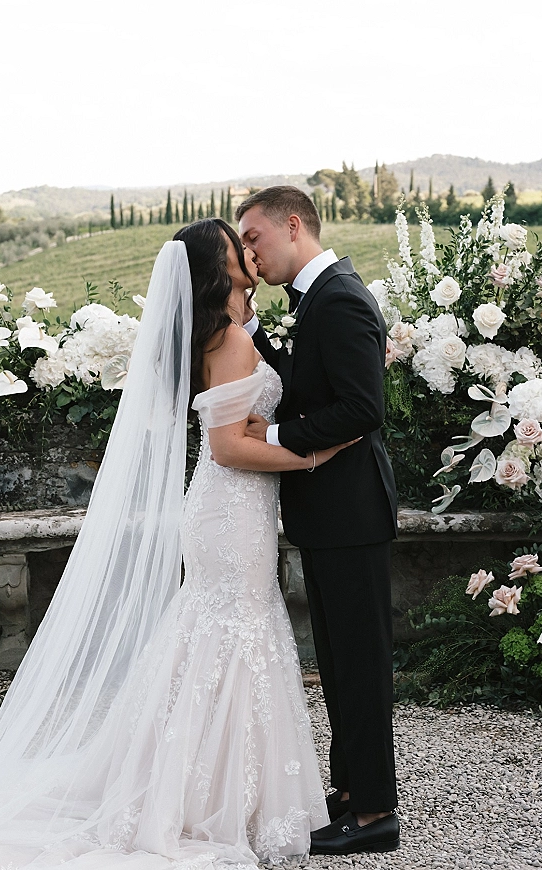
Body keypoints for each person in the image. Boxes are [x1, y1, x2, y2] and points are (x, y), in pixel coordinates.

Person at [0, 219, 357, 868]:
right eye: (237, 245)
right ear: (218, 265)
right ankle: (207, 799)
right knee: (233, 630)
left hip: (226, 504)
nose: (248, 250)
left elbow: (238, 421)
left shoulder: (216, 333)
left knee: (215, 630)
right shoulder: (232, 338)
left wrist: (269, 423)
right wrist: (318, 453)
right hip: (231, 503)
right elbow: (227, 445)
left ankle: (199, 787)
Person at [236, 186, 400, 856]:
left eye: (253, 237)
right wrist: (250, 332)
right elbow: (310, 386)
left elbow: (364, 409)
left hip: (351, 513)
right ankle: (352, 789)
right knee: (337, 666)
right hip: (332, 515)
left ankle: (375, 816)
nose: (249, 253)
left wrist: (273, 432)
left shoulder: (339, 297)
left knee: (359, 667)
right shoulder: (318, 297)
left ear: (293, 224)